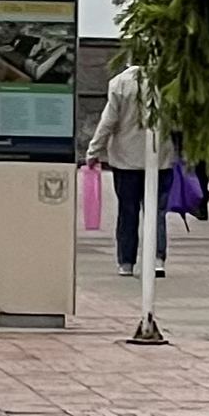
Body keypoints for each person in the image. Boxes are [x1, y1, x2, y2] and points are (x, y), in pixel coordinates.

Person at [88, 57, 167, 278]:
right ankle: (158, 259)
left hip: (126, 159)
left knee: (127, 211)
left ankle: (126, 262)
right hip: (160, 157)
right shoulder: (166, 81)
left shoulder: (120, 83)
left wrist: (94, 150)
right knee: (156, 211)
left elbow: (109, 121)